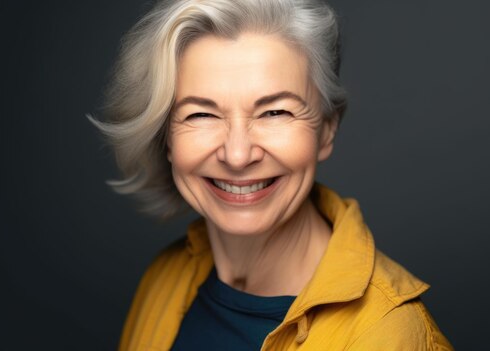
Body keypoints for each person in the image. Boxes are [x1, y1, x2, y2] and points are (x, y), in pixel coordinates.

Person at [90, 0, 453, 349]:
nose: (237, 154)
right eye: (201, 115)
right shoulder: (162, 280)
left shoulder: (390, 337)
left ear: (326, 129)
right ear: (166, 138)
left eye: (275, 113)